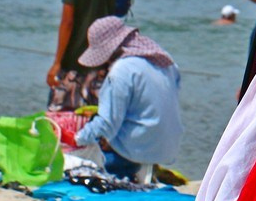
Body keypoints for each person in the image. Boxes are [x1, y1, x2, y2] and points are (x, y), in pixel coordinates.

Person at [74, 16, 183, 181]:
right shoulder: (166, 62)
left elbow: (107, 124)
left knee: (83, 157)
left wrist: (76, 139)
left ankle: (124, 168)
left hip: (136, 151)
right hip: (167, 148)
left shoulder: (122, 70)